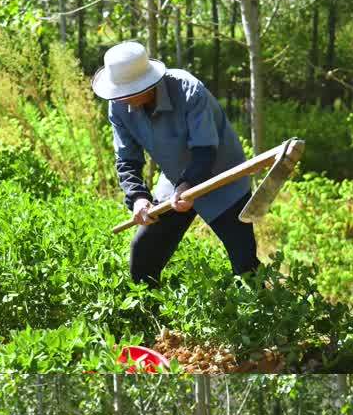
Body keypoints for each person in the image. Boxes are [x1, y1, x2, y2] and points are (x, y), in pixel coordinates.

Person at [92, 41, 260, 287]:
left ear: (147, 83)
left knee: (245, 265)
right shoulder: (119, 104)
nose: (122, 99)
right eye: (119, 93)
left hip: (223, 176)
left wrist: (188, 185)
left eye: (128, 92)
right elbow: (127, 158)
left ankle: (260, 317)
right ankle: (152, 318)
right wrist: (138, 197)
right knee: (143, 255)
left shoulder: (188, 90)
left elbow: (204, 149)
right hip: (174, 178)